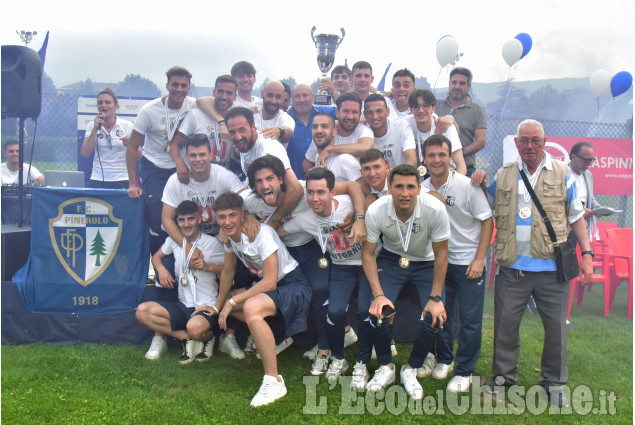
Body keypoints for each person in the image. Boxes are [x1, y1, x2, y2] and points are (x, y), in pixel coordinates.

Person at [471, 119, 593, 408]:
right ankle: (502, 378)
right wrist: (477, 178)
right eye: (523, 140)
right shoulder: (503, 175)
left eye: (535, 140)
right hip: (513, 268)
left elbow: (576, 217)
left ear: (543, 141)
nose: (529, 145)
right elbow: (485, 201)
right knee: (505, 327)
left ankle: (553, 384)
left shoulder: (563, 173)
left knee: (556, 330)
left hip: (552, 270)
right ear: (516, 143)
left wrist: (587, 255)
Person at [243, 155, 365, 370]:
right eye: (259, 181)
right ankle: (281, 335)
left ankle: (329, 341)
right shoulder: (249, 200)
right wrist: (249, 216)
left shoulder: (305, 188)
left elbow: (353, 186)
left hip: (310, 246)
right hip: (282, 249)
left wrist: (359, 215)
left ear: (281, 179)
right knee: (277, 288)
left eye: (270, 178)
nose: (265, 185)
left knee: (320, 288)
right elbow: (230, 206)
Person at [358, 164, 450, 400]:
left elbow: (441, 254)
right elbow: (367, 254)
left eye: (411, 187)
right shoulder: (376, 210)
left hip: (426, 262)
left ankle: (411, 368)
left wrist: (436, 298)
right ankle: (386, 367)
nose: (405, 193)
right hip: (391, 259)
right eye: (399, 186)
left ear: (420, 189)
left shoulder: (435, 209)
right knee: (378, 313)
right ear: (389, 188)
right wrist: (378, 294)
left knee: (434, 316)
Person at [213, 192, 312, 407]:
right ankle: (275, 335)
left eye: (232, 215)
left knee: (248, 306)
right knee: (231, 299)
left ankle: (274, 380)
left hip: (293, 285)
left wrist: (230, 304)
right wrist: (218, 306)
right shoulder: (229, 235)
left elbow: (269, 283)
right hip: (274, 286)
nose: (227, 221)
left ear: (242, 215)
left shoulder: (262, 233)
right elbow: (228, 272)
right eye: (222, 217)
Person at [277, 167, 368, 383]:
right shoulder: (305, 219)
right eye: (310, 193)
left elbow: (357, 188)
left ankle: (363, 362)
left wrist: (359, 215)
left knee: (366, 311)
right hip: (340, 268)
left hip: (366, 264)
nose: (314, 198)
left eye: (320, 192)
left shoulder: (348, 205)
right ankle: (338, 358)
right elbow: (278, 231)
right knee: (334, 311)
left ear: (332, 192)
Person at [420, 135, 493, 393]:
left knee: (471, 320)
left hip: (468, 263)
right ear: (424, 159)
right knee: (441, 315)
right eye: (431, 155)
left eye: (442, 154)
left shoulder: (466, 185)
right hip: (439, 263)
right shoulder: (421, 188)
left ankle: (464, 370)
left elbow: (487, 221)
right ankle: (445, 359)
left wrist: (479, 259)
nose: (437, 160)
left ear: (450, 157)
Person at [135, 200, 225, 364]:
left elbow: (228, 270)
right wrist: (161, 269)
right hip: (183, 305)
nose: (186, 224)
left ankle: (209, 337)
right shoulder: (174, 241)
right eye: (182, 220)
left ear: (199, 219)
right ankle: (183, 337)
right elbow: (156, 257)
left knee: (195, 328)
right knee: (142, 311)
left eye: (191, 219)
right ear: (177, 222)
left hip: (205, 305)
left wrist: (207, 267)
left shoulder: (211, 244)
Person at [126, 66, 196, 254]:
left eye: (183, 85)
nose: (179, 89)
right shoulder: (149, 111)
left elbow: (214, 104)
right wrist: (133, 183)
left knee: (184, 213)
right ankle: (160, 265)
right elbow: (132, 147)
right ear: (167, 85)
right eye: (175, 85)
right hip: (155, 166)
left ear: (189, 87)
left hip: (182, 167)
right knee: (158, 215)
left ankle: (182, 259)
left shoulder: (194, 105)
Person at [225, 107, 304, 226]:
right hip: (265, 207)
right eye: (232, 132)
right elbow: (249, 185)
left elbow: (296, 190)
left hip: (290, 220)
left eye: (242, 130)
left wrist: (272, 222)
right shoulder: (245, 145)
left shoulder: (269, 148)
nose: (238, 137)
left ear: (253, 127)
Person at [171, 75, 237, 179]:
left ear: (235, 96)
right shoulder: (196, 115)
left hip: (222, 179)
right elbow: (174, 144)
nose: (224, 96)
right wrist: (180, 164)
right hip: (194, 178)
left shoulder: (235, 120)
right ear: (214, 92)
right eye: (220, 91)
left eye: (229, 93)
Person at [302, 92, 374, 173]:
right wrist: (312, 175)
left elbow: (365, 148)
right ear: (337, 113)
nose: (350, 116)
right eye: (346, 111)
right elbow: (307, 162)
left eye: (354, 112)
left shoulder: (364, 130)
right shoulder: (326, 132)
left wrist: (329, 149)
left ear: (360, 114)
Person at [435, 67, 487, 177]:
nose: (457, 86)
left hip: (467, 169)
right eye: (454, 82)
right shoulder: (435, 105)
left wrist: (458, 153)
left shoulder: (477, 109)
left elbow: (481, 140)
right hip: (437, 169)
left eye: (462, 83)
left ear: (469, 86)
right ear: (449, 84)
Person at [81, 88, 137, 189]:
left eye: (108, 102)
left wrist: (131, 145)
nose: (103, 105)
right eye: (100, 103)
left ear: (116, 106)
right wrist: (94, 130)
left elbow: (139, 156)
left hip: (121, 179)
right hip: (98, 178)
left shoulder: (127, 125)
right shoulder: (91, 126)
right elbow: (85, 154)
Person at [407, 89, 467, 175]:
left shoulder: (446, 127)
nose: (421, 110)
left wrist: (454, 184)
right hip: (419, 174)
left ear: (433, 109)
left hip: (446, 173)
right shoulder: (405, 125)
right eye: (416, 106)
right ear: (411, 110)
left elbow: (461, 166)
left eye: (426, 106)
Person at [286, 84, 337, 179]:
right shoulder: (285, 119)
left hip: (323, 183)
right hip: (293, 182)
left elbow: (345, 111)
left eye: (305, 95)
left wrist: (334, 93)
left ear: (313, 97)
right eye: (297, 96)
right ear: (292, 99)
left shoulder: (325, 113)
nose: (301, 100)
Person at [363, 93, 417, 168]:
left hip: (401, 176)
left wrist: (392, 175)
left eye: (379, 111)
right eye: (370, 112)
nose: (375, 116)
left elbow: (412, 161)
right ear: (365, 115)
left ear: (387, 111)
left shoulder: (402, 127)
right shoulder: (362, 131)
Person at [309, 113, 361, 182]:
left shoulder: (346, 160)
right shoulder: (318, 156)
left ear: (334, 132)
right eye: (315, 127)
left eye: (324, 126)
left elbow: (363, 190)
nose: (319, 131)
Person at [568, 141, 601, 244]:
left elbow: (590, 199)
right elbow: (559, 200)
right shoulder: (562, 173)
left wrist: (599, 208)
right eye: (586, 160)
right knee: (564, 258)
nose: (589, 164)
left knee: (582, 257)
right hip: (566, 228)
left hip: (582, 227)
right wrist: (581, 211)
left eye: (591, 160)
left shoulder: (588, 175)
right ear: (573, 157)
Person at [253, 80, 295, 146]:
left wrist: (279, 132)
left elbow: (288, 133)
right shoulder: (251, 115)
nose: (273, 101)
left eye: (278, 97)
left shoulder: (286, 118)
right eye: (270, 95)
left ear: (283, 99)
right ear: (262, 94)